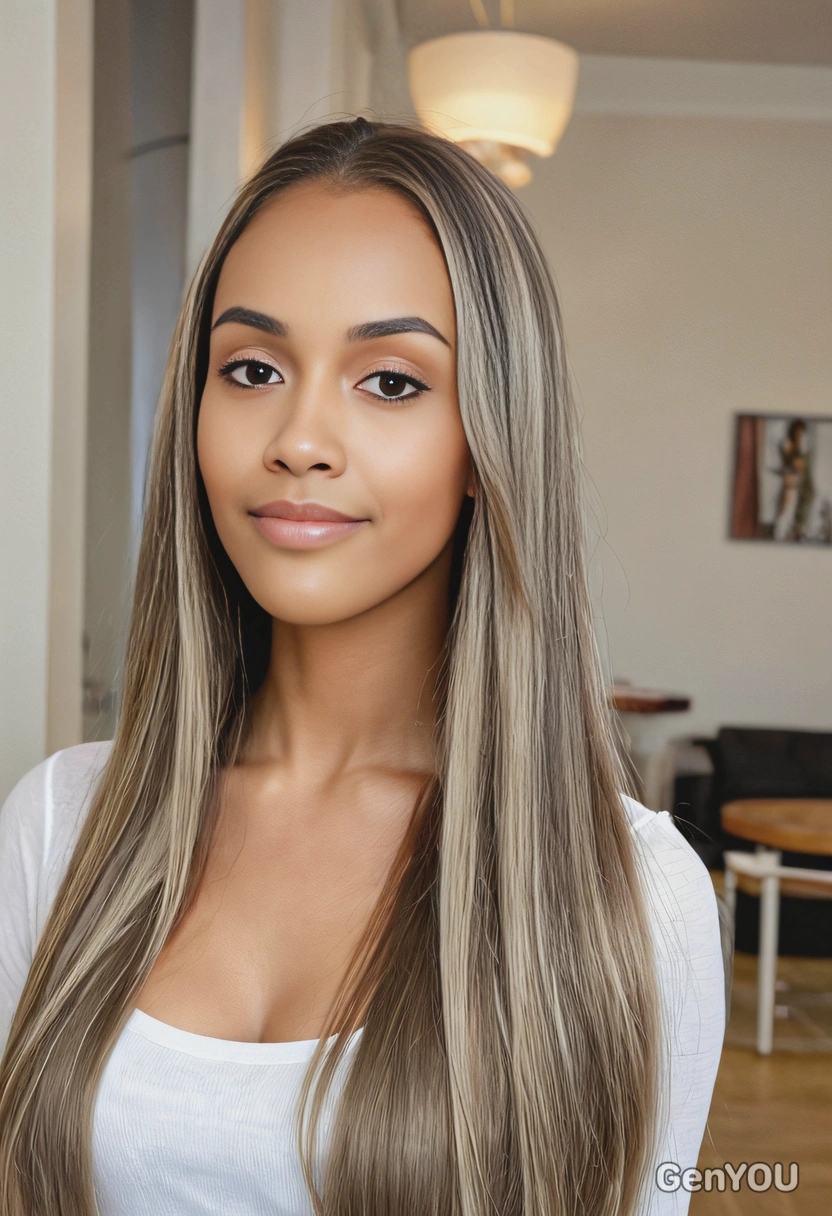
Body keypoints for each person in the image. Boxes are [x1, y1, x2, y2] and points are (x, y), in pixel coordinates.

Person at [0, 117, 725, 1216]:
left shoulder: (628, 894)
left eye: (389, 382)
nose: (299, 438)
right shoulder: (61, 824)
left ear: (489, 440)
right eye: (252, 368)